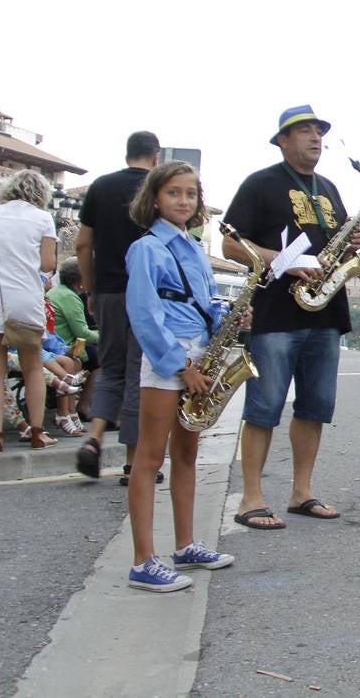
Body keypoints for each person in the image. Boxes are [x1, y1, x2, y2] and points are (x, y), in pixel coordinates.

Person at [224, 105, 360, 529]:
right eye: (303, 130)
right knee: (264, 406)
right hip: (278, 312)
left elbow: (335, 251)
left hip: (326, 312)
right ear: (282, 140)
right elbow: (232, 246)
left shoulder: (330, 187)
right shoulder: (260, 183)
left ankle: (301, 491)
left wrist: (352, 243)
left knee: (316, 407)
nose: (315, 137)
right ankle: (251, 497)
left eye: (318, 130)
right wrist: (283, 262)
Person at [124, 161, 234, 591]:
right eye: (174, 193)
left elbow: (201, 302)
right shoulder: (147, 247)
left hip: (199, 355)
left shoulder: (191, 246)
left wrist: (226, 319)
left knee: (187, 453)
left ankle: (185, 545)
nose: (184, 200)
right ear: (155, 198)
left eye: (190, 193)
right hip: (170, 356)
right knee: (149, 458)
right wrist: (181, 366)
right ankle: (142, 561)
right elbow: (144, 315)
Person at [74, 131, 160, 479]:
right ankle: (133, 461)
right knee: (140, 373)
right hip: (148, 292)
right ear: (155, 156)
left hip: (108, 291)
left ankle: (94, 437)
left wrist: (91, 289)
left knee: (111, 369)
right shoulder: (158, 189)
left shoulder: (100, 186)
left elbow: (82, 244)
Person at [0, 170, 58, 451]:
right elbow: (46, 264)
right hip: (23, 294)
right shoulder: (43, 218)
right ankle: (37, 433)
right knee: (32, 367)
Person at [48, 258, 98, 420]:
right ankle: (85, 405)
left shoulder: (56, 291)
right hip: (66, 346)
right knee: (101, 358)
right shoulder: (70, 297)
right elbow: (83, 333)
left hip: (56, 341)